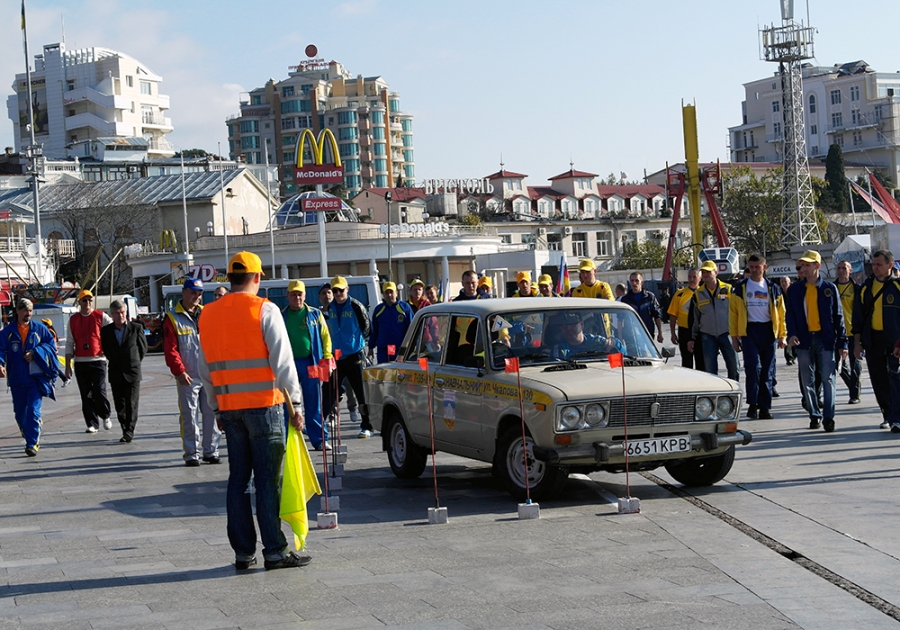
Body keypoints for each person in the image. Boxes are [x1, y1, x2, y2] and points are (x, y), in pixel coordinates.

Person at [197, 251, 309, 571]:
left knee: (238, 481)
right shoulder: (265, 309)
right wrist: (296, 406)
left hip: (230, 410)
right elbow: (283, 364)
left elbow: (205, 370)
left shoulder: (208, 314)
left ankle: (243, 553)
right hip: (265, 408)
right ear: (257, 278)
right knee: (267, 482)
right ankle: (274, 551)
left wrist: (216, 407)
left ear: (229, 279)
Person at [786, 250, 847, 432]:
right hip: (804, 340)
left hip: (825, 339)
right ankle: (814, 414)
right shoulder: (795, 289)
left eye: (807, 264)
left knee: (828, 379)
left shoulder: (829, 289)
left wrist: (842, 343)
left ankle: (829, 417)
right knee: (807, 380)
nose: (803, 268)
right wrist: (791, 334)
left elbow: (838, 317)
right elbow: (790, 315)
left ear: (817, 266)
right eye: (802, 265)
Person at [164, 278, 222, 465]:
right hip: (188, 376)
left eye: (199, 293)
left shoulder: (208, 313)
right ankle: (191, 453)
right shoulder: (172, 317)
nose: (196, 297)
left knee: (212, 413)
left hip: (209, 374)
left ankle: (211, 451)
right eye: (193, 293)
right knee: (189, 415)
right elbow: (170, 349)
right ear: (184, 292)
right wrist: (179, 371)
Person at [729, 253, 786, 420]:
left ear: (764, 267)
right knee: (753, 367)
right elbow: (733, 314)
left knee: (768, 371)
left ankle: (765, 407)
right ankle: (752, 404)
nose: (754, 270)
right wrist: (734, 337)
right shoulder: (740, 288)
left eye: (757, 267)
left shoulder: (773, 288)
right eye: (751, 267)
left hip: (768, 331)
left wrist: (782, 335)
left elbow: (781, 314)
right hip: (749, 331)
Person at [0, 299, 58, 456]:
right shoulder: (7, 332)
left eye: (30, 311)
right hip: (16, 380)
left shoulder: (40, 329)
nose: (28, 313)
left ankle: (32, 443)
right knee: (20, 414)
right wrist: (0, 364)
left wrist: (35, 353)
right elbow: (0, 350)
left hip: (34, 379)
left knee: (33, 410)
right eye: (25, 310)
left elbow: (51, 347)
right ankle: (29, 432)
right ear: (17, 311)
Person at [852, 249, 900, 430]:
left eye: (879, 264)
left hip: (894, 340)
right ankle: (887, 415)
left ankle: (897, 417)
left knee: (895, 379)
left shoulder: (897, 286)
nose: (875, 268)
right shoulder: (866, 288)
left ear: (890, 265)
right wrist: (857, 343)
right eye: (873, 264)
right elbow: (858, 319)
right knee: (878, 380)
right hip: (873, 340)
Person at [283, 280, 333, 451]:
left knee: (314, 401)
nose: (297, 297)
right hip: (289, 365)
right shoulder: (282, 315)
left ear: (304, 295)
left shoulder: (315, 314)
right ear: (288, 295)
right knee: (288, 402)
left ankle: (319, 439)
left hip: (311, 362)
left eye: (300, 294)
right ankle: (288, 439)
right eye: (293, 294)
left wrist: (327, 358)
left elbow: (325, 336)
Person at [323, 275, 374, 438]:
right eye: (335, 290)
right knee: (330, 390)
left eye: (341, 290)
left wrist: (355, 343)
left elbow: (367, 328)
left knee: (361, 392)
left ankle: (367, 425)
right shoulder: (330, 308)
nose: (338, 293)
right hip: (337, 356)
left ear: (347, 290)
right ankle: (321, 424)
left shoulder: (355, 306)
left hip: (354, 355)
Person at [65, 289, 113, 433]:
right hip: (80, 361)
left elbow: (112, 330)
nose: (87, 303)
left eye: (90, 300)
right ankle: (92, 423)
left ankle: (105, 415)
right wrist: (68, 366)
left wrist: (109, 349)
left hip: (98, 359)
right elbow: (69, 343)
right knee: (85, 394)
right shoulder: (73, 320)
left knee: (99, 390)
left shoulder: (101, 316)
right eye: (84, 300)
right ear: (79, 302)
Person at [100, 299, 147, 443]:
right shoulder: (106, 331)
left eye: (122, 313)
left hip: (132, 371)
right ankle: (124, 426)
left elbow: (142, 348)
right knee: (119, 404)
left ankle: (129, 430)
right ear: (112, 314)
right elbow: (106, 349)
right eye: (117, 313)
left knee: (131, 403)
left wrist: (133, 361)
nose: (120, 316)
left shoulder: (136, 328)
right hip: (116, 371)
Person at [688, 261, 738, 381]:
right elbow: (694, 318)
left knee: (734, 366)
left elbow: (737, 312)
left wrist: (738, 333)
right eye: (703, 272)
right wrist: (692, 338)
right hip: (707, 335)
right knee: (710, 370)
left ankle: (734, 392)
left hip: (727, 333)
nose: (705, 274)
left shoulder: (729, 289)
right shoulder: (698, 294)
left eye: (708, 272)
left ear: (716, 272)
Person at [835, 260, 862, 405]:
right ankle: (853, 386)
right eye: (838, 268)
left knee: (855, 365)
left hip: (853, 333)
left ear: (850, 270)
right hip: (838, 333)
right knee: (838, 365)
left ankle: (855, 394)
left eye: (844, 268)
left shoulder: (856, 288)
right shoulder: (831, 287)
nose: (841, 271)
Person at [547, 312, 624, 360]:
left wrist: (615, 343)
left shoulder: (599, 343)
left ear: (582, 324)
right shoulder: (558, 351)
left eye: (572, 323)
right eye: (564, 325)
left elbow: (617, 367)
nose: (568, 327)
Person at [668, 268, 704, 370]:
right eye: (689, 277)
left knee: (701, 361)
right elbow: (673, 314)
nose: (692, 279)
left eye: (694, 277)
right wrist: (672, 333)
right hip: (684, 331)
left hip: (700, 331)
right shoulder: (679, 294)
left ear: (700, 278)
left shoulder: (704, 293)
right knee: (686, 361)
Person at [370, 281, 414, 364]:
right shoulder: (379, 309)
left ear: (396, 293)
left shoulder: (405, 307)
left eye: (391, 292)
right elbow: (375, 329)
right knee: (383, 374)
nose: (389, 295)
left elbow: (411, 328)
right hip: (383, 349)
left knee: (398, 373)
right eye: (386, 293)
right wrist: (371, 346)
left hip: (399, 349)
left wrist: (410, 346)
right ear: (383, 294)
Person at [620, 272, 663, 343]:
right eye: (632, 280)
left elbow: (657, 316)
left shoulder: (649, 297)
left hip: (647, 332)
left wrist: (660, 333)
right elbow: (620, 319)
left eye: (637, 280)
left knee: (647, 354)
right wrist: (620, 336)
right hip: (631, 334)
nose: (634, 283)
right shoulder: (625, 299)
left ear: (642, 282)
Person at [780, 276, 796, 365]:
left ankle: (794, 355)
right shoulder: (779, 293)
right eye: (782, 282)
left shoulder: (793, 292)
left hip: (793, 317)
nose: (783, 283)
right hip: (784, 319)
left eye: (785, 281)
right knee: (787, 337)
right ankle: (789, 358)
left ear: (789, 283)